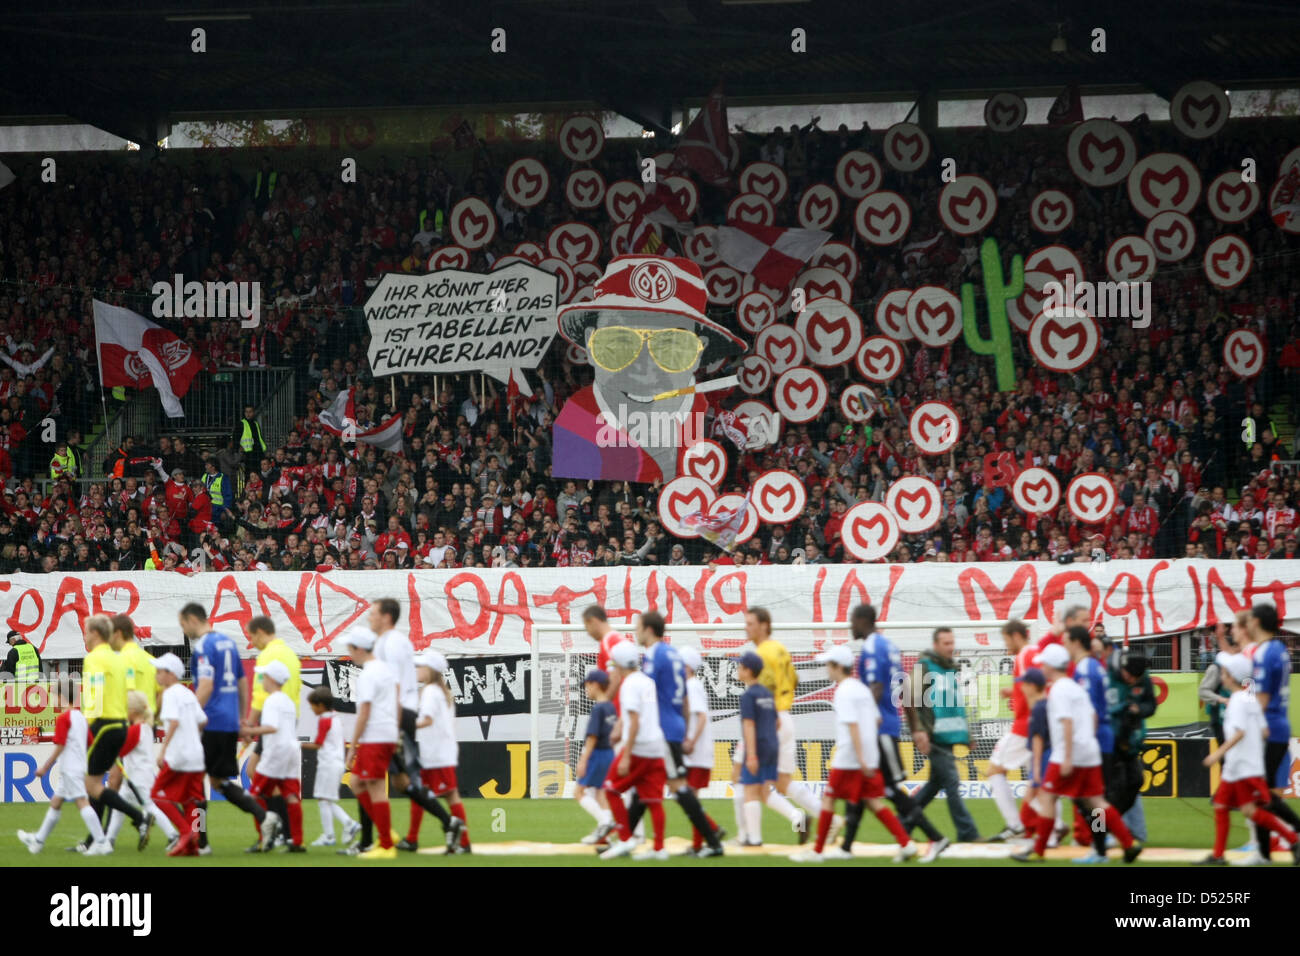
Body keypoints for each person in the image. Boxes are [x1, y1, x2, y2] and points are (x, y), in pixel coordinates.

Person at [1013, 644, 1141, 864]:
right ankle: (1128, 843)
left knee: (1047, 796)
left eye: (1044, 663)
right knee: (1097, 802)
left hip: (1067, 753)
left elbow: (1067, 722)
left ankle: (1039, 850)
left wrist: (1069, 757)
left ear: (1051, 666)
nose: (1041, 666)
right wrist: (1085, 742)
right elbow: (1091, 717)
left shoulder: (1059, 690)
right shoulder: (1075, 687)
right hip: (1089, 750)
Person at [793, 645, 917, 862]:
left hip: (850, 758)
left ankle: (817, 851)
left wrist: (859, 757)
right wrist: (867, 755)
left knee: (829, 799)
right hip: (868, 755)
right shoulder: (861, 688)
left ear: (838, 666)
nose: (827, 670)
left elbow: (852, 726)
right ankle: (906, 844)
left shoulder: (843, 691)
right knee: (873, 801)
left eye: (829, 665)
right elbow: (876, 719)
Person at [627, 611, 724, 856]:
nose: (635, 632)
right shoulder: (674, 655)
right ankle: (624, 839)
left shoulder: (654, 655)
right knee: (645, 786)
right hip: (674, 725)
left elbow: (645, 690)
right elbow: (684, 701)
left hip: (663, 730)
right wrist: (681, 724)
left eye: (637, 627)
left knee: (678, 787)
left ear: (649, 630)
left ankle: (713, 842)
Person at [178, 602, 273, 852]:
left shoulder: (204, 647)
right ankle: (265, 818)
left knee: (195, 781)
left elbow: (206, 686)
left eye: (182, 624)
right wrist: (241, 718)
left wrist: (188, 716)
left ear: (191, 619)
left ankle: (202, 842)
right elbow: (242, 682)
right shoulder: (229, 643)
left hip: (210, 721)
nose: (183, 629)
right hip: (228, 720)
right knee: (218, 781)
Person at [852, 604, 946, 853]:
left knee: (890, 789)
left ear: (863, 620)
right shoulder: (891, 647)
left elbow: (877, 688)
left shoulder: (872, 646)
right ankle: (846, 846)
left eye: (853, 620)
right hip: (887, 724)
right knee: (861, 787)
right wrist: (914, 728)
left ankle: (935, 838)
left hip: (878, 728)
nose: (851, 626)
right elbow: (905, 690)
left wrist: (863, 719)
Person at [371, 598, 459, 855]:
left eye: (374, 613)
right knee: (401, 782)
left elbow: (395, 683)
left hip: (397, 715)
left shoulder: (393, 643)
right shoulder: (388, 643)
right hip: (398, 714)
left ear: (386, 616)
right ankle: (448, 822)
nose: (370, 617)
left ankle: (375, 839)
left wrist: (390, 717)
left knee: (374, 778)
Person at [1199, 651, 1300, 866]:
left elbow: (1239, 733)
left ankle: (1291, 840)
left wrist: (1217, 754)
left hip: (1241, 766)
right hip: (1241, 765)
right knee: (1226, 806)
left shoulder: (1237, 701)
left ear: (1231, 676)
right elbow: (1263, 731)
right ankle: (1219, 855)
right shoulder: (1249, 698)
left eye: (1225, 672)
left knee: (1249, 809)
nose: (1222, 675)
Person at [730, 607, 820, 845]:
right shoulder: (780, 649)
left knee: (743, 778)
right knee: (780, 782)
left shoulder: (762, 654)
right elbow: (794, 680)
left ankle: (747, 837)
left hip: (769, 722)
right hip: (784, 717)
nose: (745, 627)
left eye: (750, 623)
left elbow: (763, 694)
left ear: (763, 625)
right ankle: (817, 818)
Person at [80, 614, 151, 851]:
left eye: (87, 631)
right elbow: (129, 693)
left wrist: (88, 727)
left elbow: (95, 694)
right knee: (103, 782)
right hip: (121, 725)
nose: (85, 636)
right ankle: (98, 841)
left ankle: (138, 818)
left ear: (96, 634)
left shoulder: (94, 658)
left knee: (92, 784)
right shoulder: (119, 660)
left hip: (104, 724)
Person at [18, 678, 112, 855]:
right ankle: (38, 841)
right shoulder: (81, 717)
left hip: (70, 768)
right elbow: (89, 742)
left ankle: (101, 842)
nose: (53, 699)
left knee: (82, 803)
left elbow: (60, 745)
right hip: (76, 767)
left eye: (54, 695)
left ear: (60, 696)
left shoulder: (63, 718)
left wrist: (45, 767)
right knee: (56, 803)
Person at [903, 627, 980, 845]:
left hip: (949, 736)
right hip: (933, 736)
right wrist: (918, 731)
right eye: (946, 643)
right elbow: (908, 696)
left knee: (933, 786)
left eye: (952, 642)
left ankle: (903, 822)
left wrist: (968, 735)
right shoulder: (924, 666)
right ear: (936, 645)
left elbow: (955, 705)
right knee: (952, 782)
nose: (951, 647)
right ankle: (968, 832)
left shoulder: (951, 669)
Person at [599, 640, 669, 860]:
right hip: (656, 746)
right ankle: (659, 848)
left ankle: (625, 839)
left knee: (610, 789)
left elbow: (635, 719)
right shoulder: (647, 681)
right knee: (653, 800)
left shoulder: (628, 685)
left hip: (638, 748)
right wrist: (620, 728)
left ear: (619, 666)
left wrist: (626, 754)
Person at [1244, 602, 1300, 863]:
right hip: (1278, 726)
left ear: (1256, 622)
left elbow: (1262, 699)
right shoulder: (1279, 649)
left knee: (1262, 794)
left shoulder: (1264, 653)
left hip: (1267, 729)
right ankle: (1263, 854)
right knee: (1261, 795)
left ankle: (1294, 833)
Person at [340, 626, 399, 859]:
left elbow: (364, 712)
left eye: (350, 648)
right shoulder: (384, 670)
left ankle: (386, 844)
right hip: (385, 733)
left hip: (375, 735)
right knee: (357, 782)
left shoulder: (368, 675)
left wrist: (352, 746)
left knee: (373, 787)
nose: (349, 654)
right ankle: (386, 834)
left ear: (359, 648)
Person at [242, 615, 301, 850]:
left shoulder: (267, 657)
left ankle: (272, 828)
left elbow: (259, 696)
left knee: (255, 774)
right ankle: (289, 835)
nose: (251, 642)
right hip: (289, 721)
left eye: (251, 636)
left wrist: (249, 728)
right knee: (276, 783)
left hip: (272, 724)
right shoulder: (291, 655)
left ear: (260, 632)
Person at [407, 650, 471, 854]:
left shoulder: (431, 692)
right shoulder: (438, 691)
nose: (417, 670)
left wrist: (405, 726)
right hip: (436, 752)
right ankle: (412, 838)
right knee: (420, 794)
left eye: (421, 666)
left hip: (437, 754)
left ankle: (463, 842)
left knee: (448, 796)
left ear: (431, 670)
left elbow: (427, 720)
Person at [103, 690, 180, 852]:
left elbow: (122, 750)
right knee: (119, 807)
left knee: (150, 807)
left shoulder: (135, 730)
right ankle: (109, 840)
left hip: (138, 778)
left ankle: (173, 835)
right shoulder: (145, 727)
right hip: (134, 776)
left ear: (133, 711)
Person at [151, 652, 209, 857]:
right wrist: (192, 736)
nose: (157, 675)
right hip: (196, 755)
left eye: (159, 671)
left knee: (156, 795)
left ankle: (186, 832)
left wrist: (163, 751)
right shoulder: (187, 694)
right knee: (190, 799)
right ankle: (193, 846)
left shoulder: (170, 694)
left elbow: (173, 722)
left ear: (170, 673)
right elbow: (202, 721)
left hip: (179, 756)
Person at [1065, 624, 1114, 863]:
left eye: (1066, 640)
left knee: (1087, 796)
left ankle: (1102, 844)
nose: (1064, 645)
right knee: (1090, 796)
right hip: (1102, 735)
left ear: (1075, 642)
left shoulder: (1084, 668)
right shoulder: (1096, 665)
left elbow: (1090, 709)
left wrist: (1084, 742)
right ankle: (1103, 843)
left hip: (1093, 737)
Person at [985, 618, 1037, 842]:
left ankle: (1100, 835)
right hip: (1083, 737)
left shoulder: (1026, 655)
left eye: (1006, 639)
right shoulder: (1084, 674)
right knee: (1091, 794)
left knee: (1092, 796)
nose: (1005, 644)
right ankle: (1098, 836)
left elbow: (1033, 689)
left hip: (1028, 727)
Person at [679, 646, 725, 855]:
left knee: (690, 799)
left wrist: (690, 741)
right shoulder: (690, 685)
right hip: (695, 751)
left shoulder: (692, 685)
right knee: (687, 797)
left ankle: (702, 840)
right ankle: (711, 831)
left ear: (687, 666)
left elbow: (702, 717)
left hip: (696, 752)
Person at [301, 686, 360, 848]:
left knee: (323, 798)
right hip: (336, 762)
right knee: (325, 799)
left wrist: (298, 745)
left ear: (320, 705)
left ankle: (337, 830)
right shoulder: (335, 717)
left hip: (328, 764)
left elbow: (318, 744)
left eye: (312, 705)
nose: (311, 709)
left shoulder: (324, 720)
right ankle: (340, 828)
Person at [735, 649, 780, 850]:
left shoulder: (748, 696)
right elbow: (777, 722)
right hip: (772, 745)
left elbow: (749, 725)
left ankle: (754, 838)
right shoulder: (767, 694)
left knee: (750, 792)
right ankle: (798, 819)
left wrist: (751, 754)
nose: (737, 669)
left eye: (740, 666)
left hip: (758, 747)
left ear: (748, 670)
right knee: (763, 791)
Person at [574, 668, 616, 844]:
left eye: (587, 685)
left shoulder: (598, 709)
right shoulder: (612, 707)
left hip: (597, 753)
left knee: (578, 792)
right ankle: (604, 832)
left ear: (596, 685)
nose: (586, 689)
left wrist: (583, 760)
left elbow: (592, 736)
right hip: (609, 753)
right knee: (600, 793)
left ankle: (606, 822)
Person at [583, 604, 632, 674]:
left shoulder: (609, 642)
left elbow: (614, 676)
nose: (588, 633)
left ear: (593, 621)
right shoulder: (616, 638)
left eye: (587, 627)